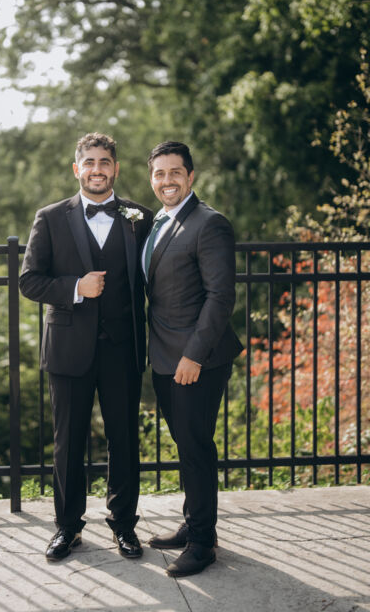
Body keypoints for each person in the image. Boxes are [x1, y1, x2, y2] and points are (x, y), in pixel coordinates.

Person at [19, 133, 152, 562]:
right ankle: (67, 527)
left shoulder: (140, 218)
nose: (97, 169)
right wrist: (76, 287)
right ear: (77, 169)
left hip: (123, 349)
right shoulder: (50, 218)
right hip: (68, 348)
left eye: (105, 162)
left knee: (124, 441)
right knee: (68, 443)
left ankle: (124, 525)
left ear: (116, 168)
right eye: (89, 162)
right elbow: (29, 281)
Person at [143, 140, 243, 578]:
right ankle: (193, 522)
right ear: (151, 178)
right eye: (159, 173)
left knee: (197, 447)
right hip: (165, 356)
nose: (167, 181)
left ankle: (203, 543)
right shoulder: (157, 222)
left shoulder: (209, 223)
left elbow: (220, 297)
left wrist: (194, 356)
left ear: (191, 176)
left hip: (196, 360)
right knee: (186, 445)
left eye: (175, 172)